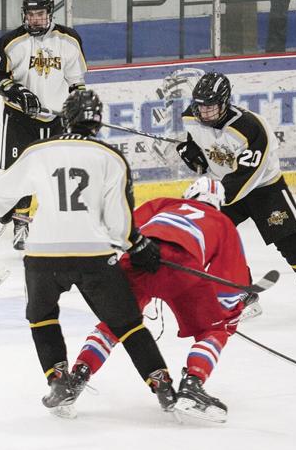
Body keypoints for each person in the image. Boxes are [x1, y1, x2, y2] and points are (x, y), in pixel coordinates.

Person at [0, 90, 175, 418]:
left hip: (42, 255)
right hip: (93, 253)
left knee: (42, 317)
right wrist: (136, 245)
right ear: (97, 124)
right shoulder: (110, 157)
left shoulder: (38, 151)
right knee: (127, 323)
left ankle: (58, 380)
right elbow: (119, 224)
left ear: (66, 117)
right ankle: (162, 383)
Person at [72, 177, 249, 423]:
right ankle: (193, 385)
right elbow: (229, 279)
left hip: (139, 261)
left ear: (189, 194)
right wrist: (228, 316)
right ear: (220, 203)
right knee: (214, 330)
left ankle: (77, 376)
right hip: (182, 269)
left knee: (117, 323)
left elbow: (124, 227)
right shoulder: (223, 222)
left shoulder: (165, 203)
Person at [176, 71, 296, 312]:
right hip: (224, 185)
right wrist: (193, 156)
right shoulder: (192, 118)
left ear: (225, 103)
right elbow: (202, 148)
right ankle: (243, 294)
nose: (204, 113)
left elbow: (247, 175)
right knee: (213, 238)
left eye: (211, 107)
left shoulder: (251, 128)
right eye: (200, 107)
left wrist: (214, 197)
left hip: (263, 188)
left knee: (291, 243)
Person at [0, 0, 87, 250]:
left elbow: (77, 82)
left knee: (58, 172)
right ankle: (21, 222)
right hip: (20, 118)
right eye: (30, 15)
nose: (34, 19)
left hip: (56, 119)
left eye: (40, 14)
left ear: (50, 13)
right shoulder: (10, 42)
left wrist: (78, 108)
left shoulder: (69, 40)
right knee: (19, 171)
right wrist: (17, 92)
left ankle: (63, 223)